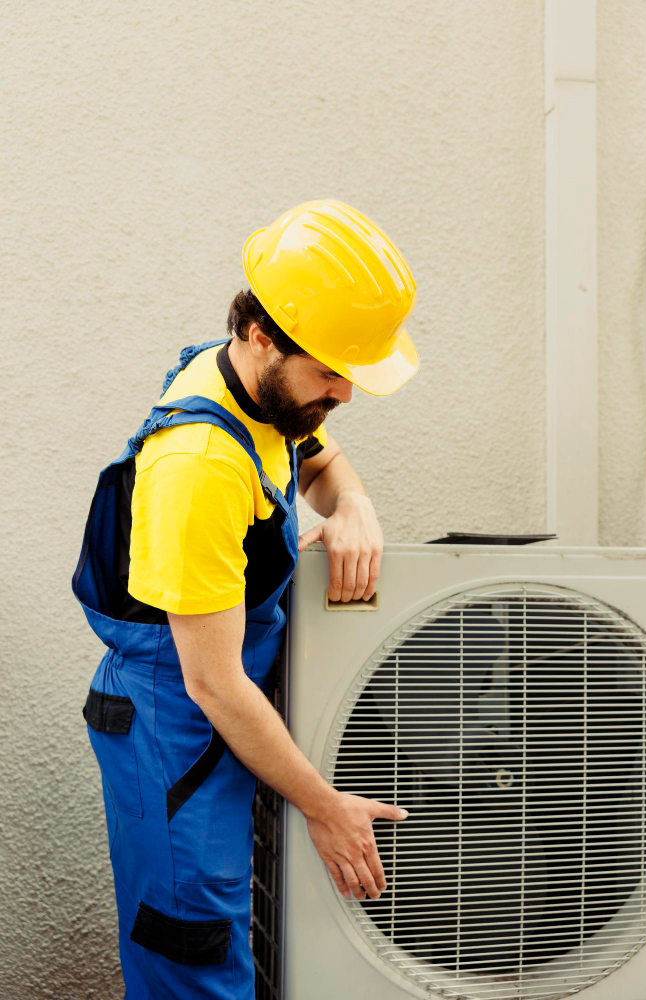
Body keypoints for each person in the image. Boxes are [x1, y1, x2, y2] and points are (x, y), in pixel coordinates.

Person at [72, 198, 419, 999]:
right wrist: (323, 806)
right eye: (330, 372)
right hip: (177, 726)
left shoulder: (256, 387)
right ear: (262, 335)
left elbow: (318, 458)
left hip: (221, 708)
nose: (343, 393)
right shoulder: (197, 465)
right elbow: (213, 682)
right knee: (193, 953)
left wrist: (353, 505)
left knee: (228, 935)